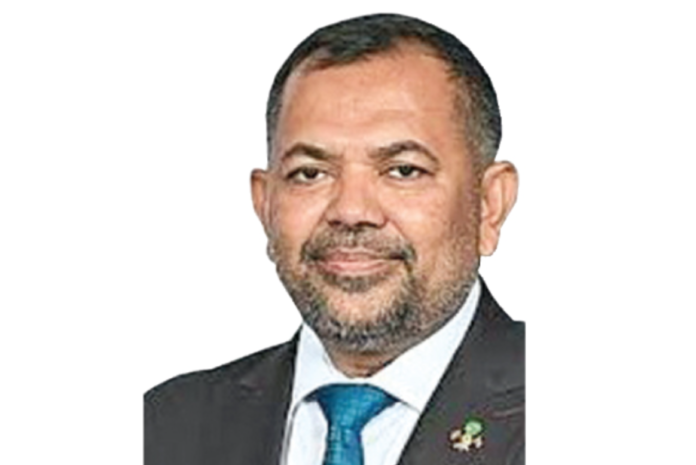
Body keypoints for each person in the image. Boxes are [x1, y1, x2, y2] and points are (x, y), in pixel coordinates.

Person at [145, 13, 524, 465]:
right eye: (310, 174)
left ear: (489, 204)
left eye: (403, 170)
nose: (351, 211)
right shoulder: (163, 427)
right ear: (265, 204)